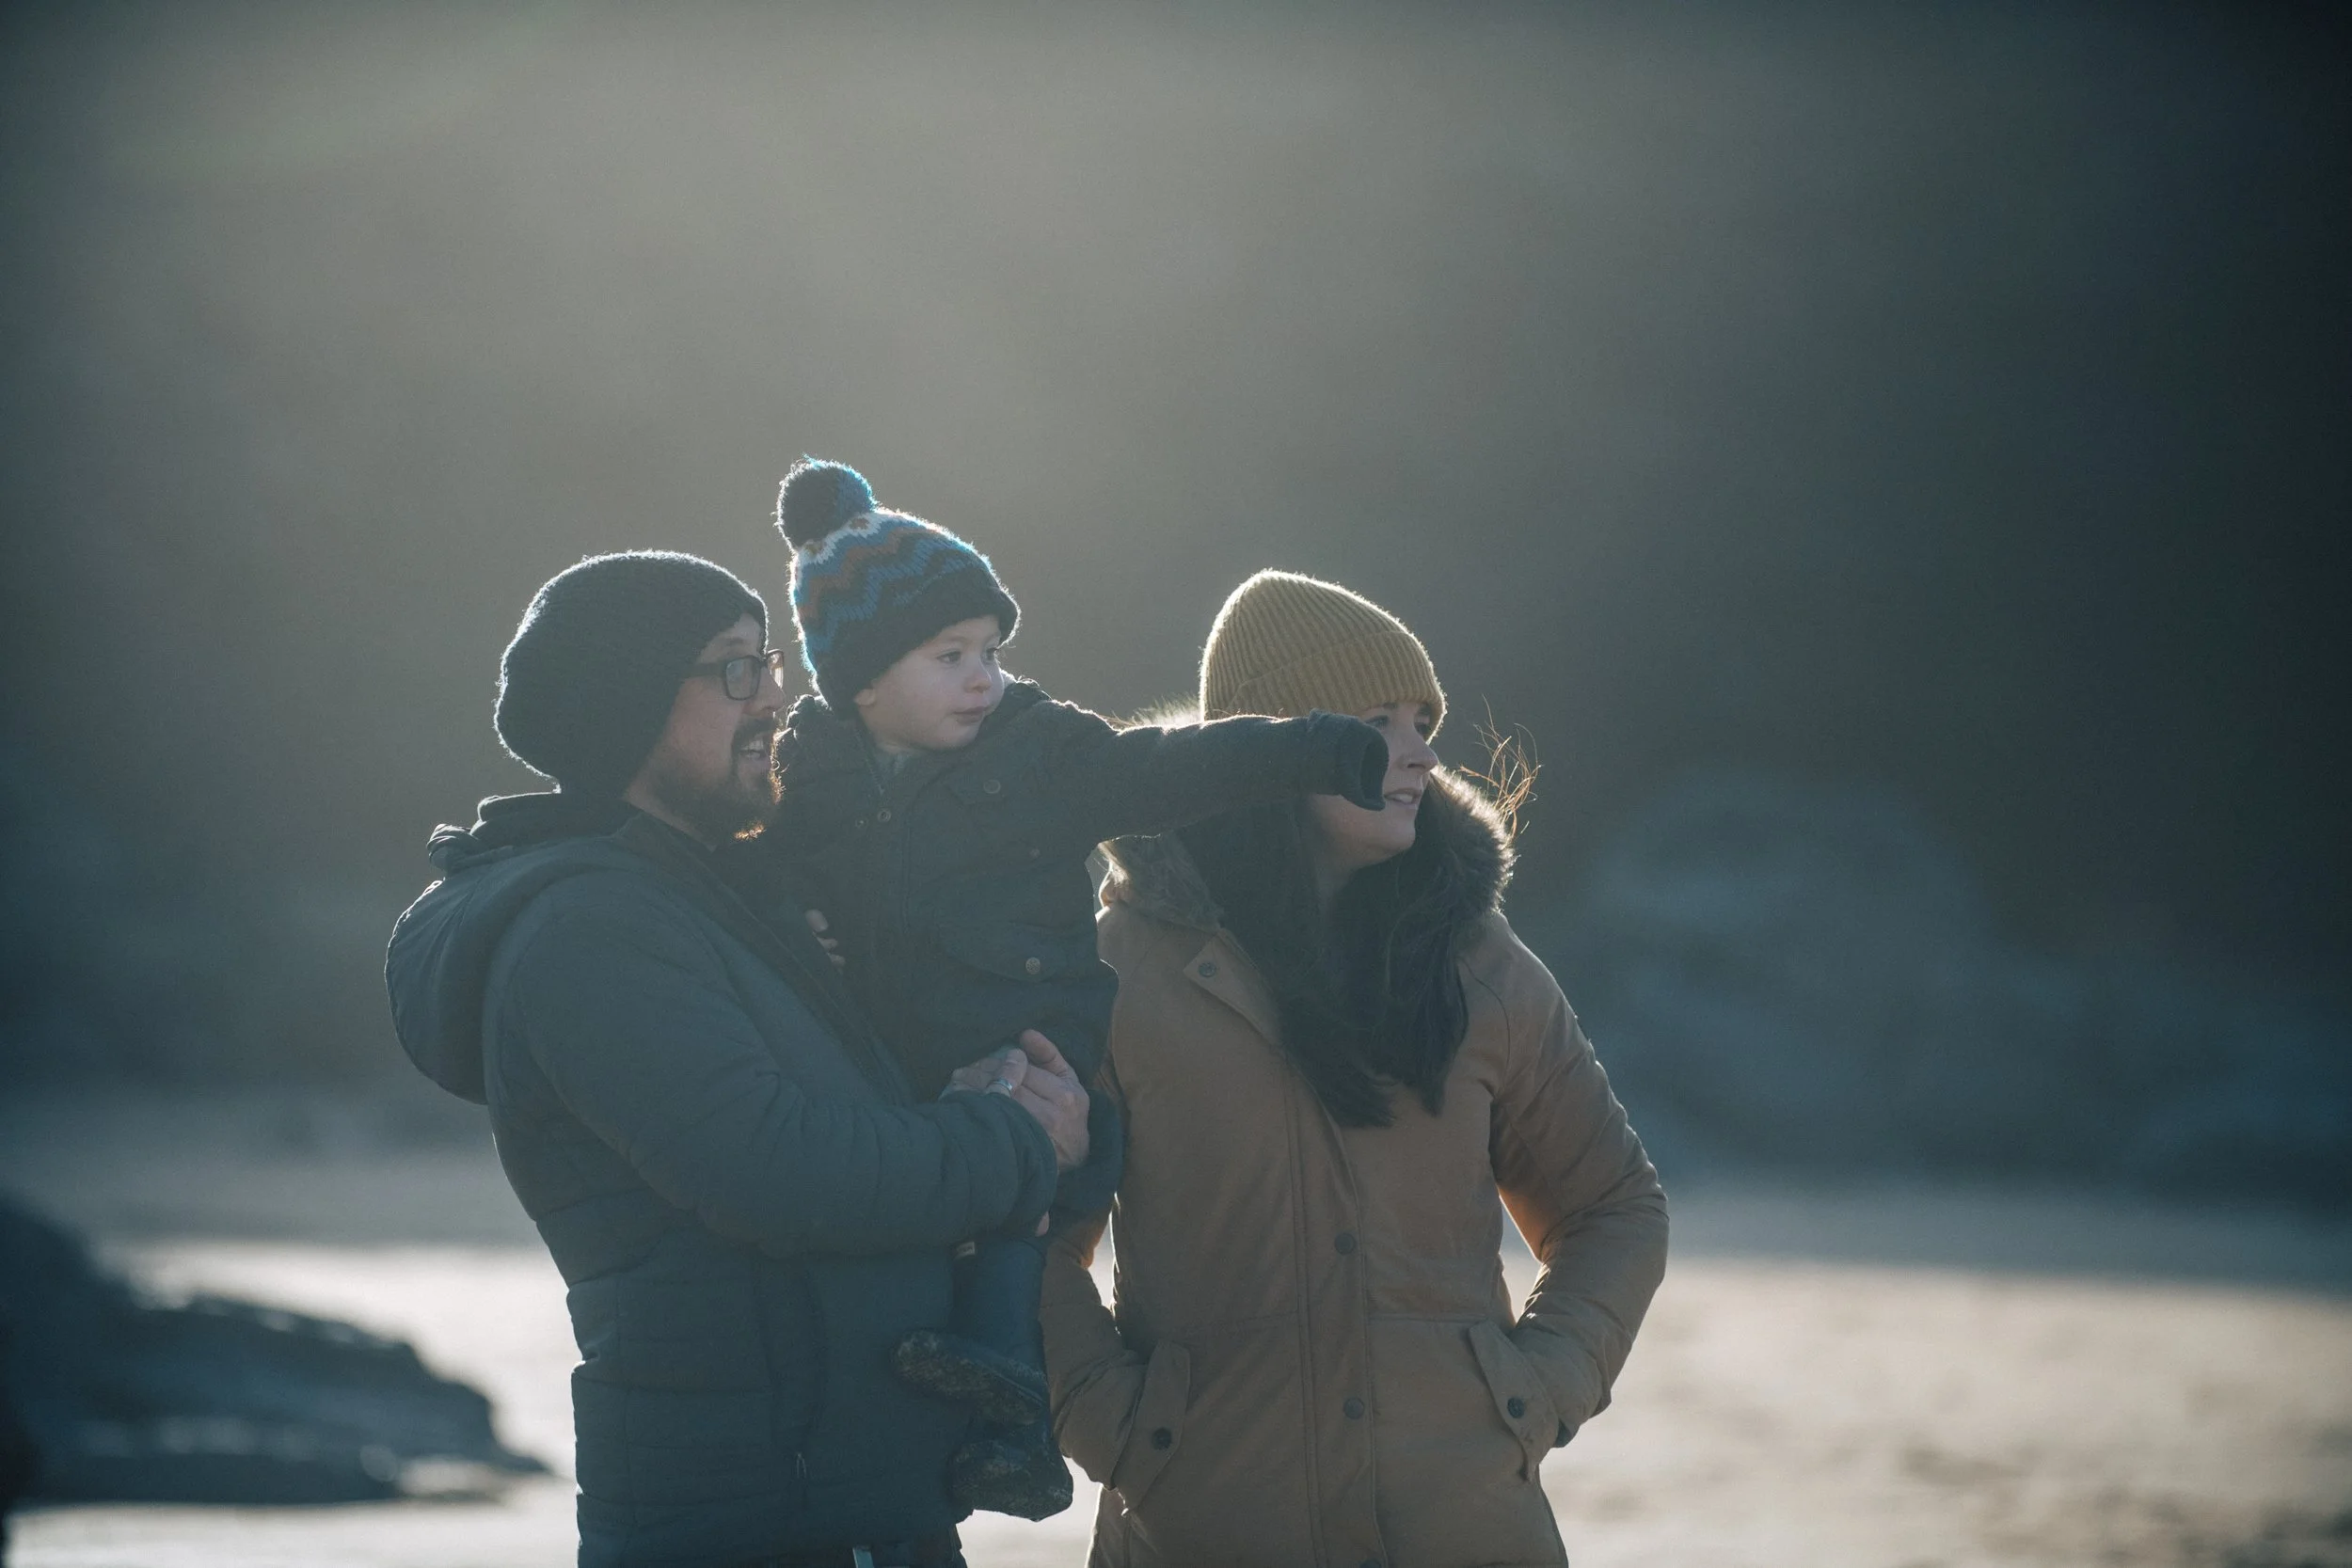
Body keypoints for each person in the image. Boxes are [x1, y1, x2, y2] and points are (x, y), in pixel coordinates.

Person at [385, 550, 1089, 1568]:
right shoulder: (593, 930)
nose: (774, 694)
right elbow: (777, 1170)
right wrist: (1014, 1136)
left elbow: (819, 1122)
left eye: (767, 661)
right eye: (733, 668)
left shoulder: (712, 899)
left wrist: (962, 1097)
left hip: (839, 1504)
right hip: (753, 1519)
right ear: (624, 702)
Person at [728, 462, 1392, 1520]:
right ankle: (983, 1428)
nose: (983, 676)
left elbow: (1168, 766)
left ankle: (1019, 1414)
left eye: (990, 649)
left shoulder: (1038, 753)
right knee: (906, 1248)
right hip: (890, 1065)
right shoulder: (807, 775)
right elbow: (752, 870)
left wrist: (1311, 748)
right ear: (859, 680)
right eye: (949, 657)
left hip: (1030, 1036)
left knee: (1009, 1182)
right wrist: (789, 919)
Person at [1041, 570, 1670, 1568]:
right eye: (1381, 719)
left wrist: (1532, 1391)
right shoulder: (1120, 971)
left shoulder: (1481, 964)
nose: (1421, 749)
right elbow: (1027, 1230)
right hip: (1204, 1531)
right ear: (1273, 742)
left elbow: (1615, 1206)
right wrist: (1120, 1426)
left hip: (1464, 1532)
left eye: (1425, 718)